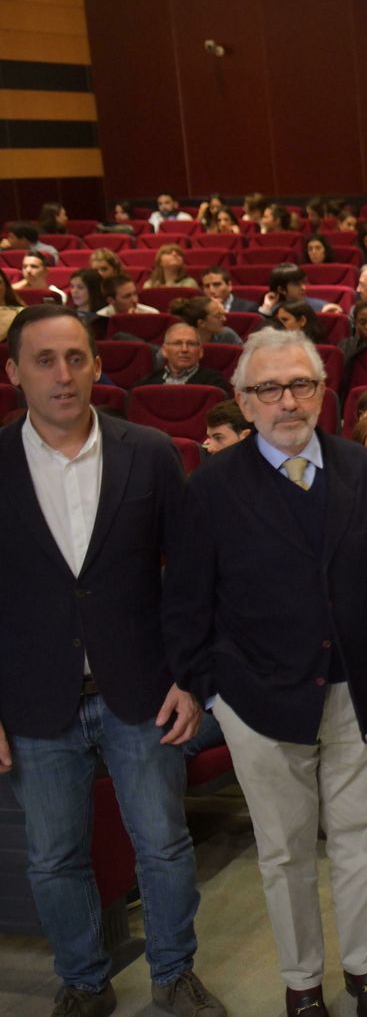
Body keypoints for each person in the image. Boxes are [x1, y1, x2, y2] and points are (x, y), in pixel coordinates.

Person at [165, 329, 367, 1017]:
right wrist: (212, 688)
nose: (286, 401)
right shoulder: (209, 485)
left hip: (358, 689)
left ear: (324, 391)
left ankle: (365, 968)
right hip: (257, 698)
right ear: (243, 400)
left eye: (300, 385)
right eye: (268, 389)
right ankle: (302, 982)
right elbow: (187, 600)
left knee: (358, 837)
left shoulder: (363, 471)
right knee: (284, 850)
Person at [0, 306, 226, 1017]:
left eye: (76, 358)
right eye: (44, 360)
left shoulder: (151, 452)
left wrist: (191, 680)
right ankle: (85, 981)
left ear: (99, 365)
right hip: (34, 698)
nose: (62, 375)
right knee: (55, 857)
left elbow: (191, 577)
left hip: (143, 689)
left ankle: (173, 974)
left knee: (161, 844)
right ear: (13, 373)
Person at [133, 322, 232, 394]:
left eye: (191, 344)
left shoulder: (215, 384)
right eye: (177, 343)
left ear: (200, 351)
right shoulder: (146, 384)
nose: (184, 349)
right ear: (164, 351)